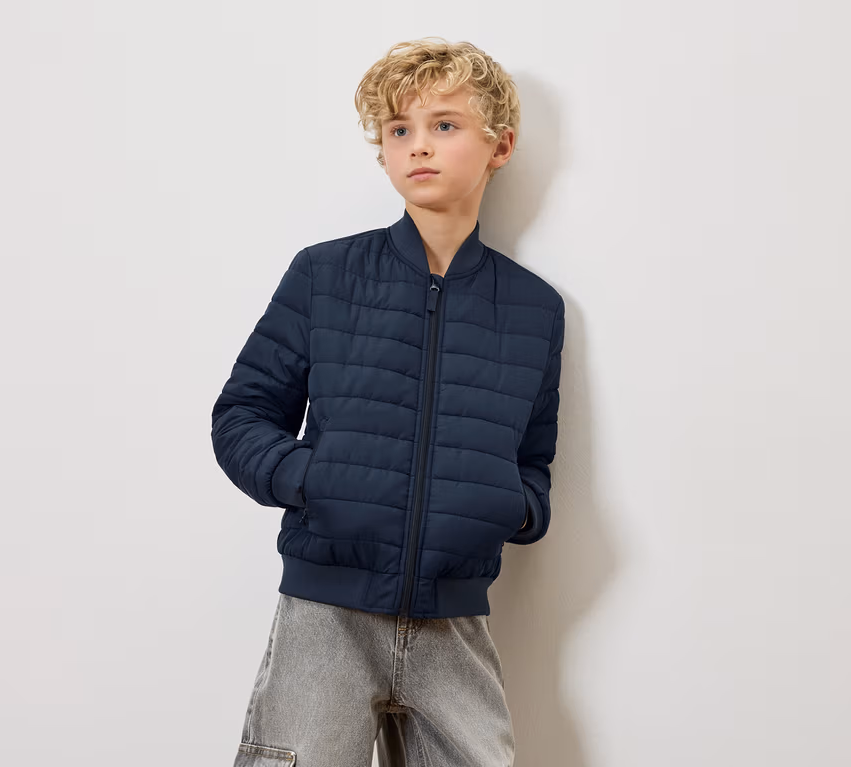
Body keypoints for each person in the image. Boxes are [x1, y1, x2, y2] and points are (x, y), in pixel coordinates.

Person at [212, 36, 565, 767]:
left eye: (444, 124)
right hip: (325, 619)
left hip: (454, 626)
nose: (418, 146)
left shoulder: (534, 309)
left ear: (500, 146)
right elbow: (242, 414)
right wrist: (312, 479)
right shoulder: (326, 275)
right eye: (399, 130)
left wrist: (517, 508)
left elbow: (534, 460)